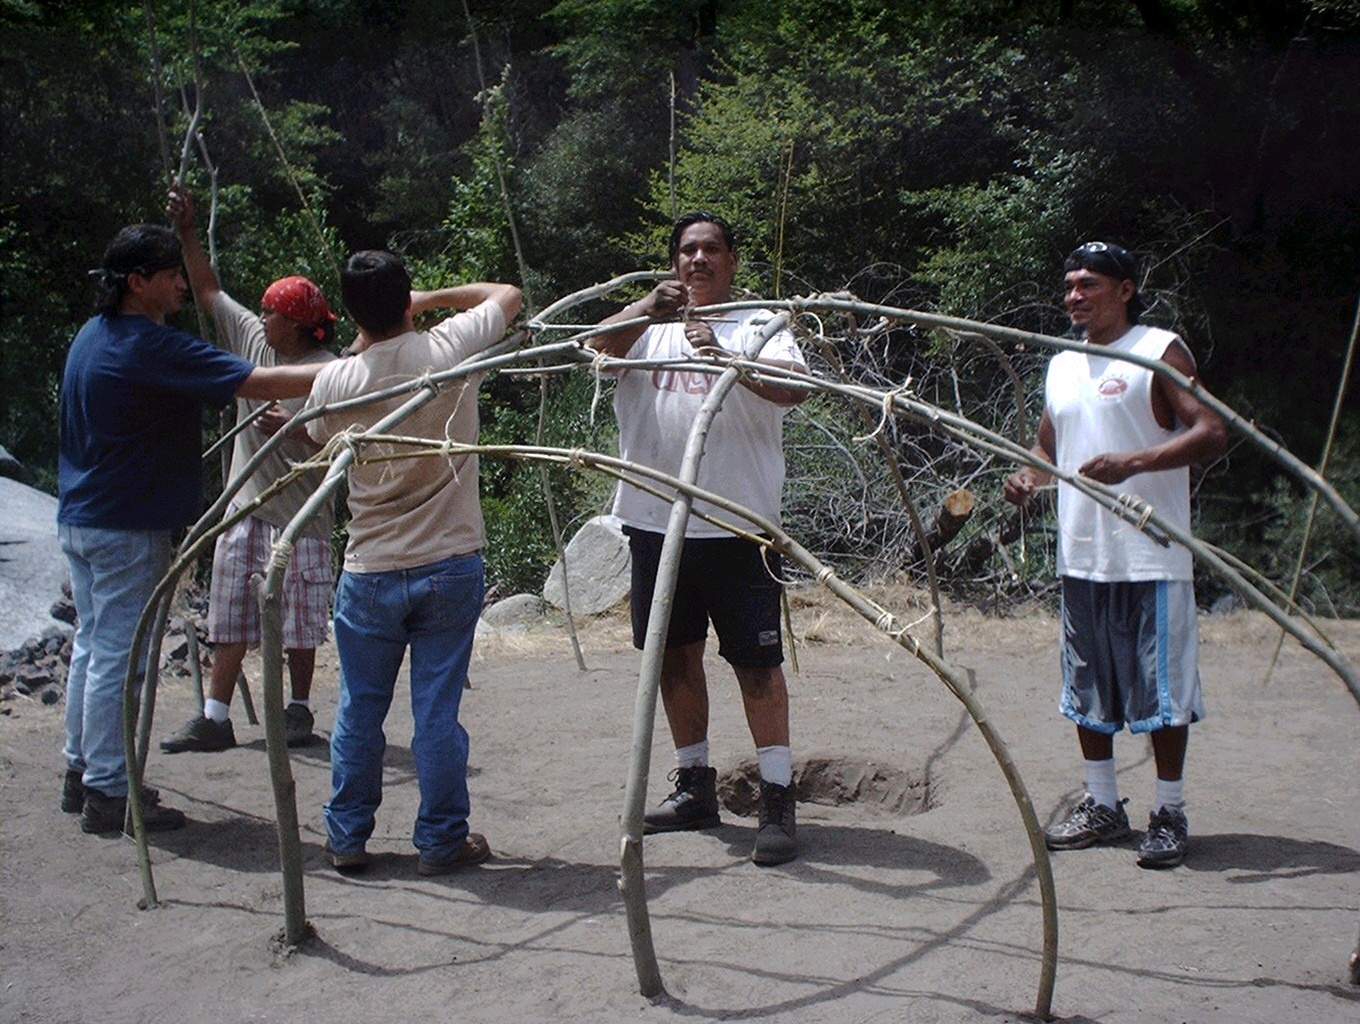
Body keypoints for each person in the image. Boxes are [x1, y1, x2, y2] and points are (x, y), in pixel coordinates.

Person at [59, 223, 325, 836]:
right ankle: (106, 788)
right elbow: (257, 382)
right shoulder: (147, 345)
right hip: (126, 523)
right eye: (169, 274)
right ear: (137, 283)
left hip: (83, 516)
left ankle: (81, 770)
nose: (180, 283)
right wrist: (360, 374)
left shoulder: (91, 336)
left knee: (92, 645)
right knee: (119, 660)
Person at [590, 212, 808, 866]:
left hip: (739, 525)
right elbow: (595, 352)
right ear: (674, 262)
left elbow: (795, 390)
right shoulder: (644, 328)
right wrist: (642, 308)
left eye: (712, 249)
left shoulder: (760, 326)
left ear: (733, 261)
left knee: (756, 662)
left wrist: (727, 360)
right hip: (658, 522)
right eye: (688, 251)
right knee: (675, 654)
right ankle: (694, 784)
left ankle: (776, 794)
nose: (699, 260)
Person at [1004, 241, 1228, 869]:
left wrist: (1134, 463)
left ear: (1125, 290)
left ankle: (1170, 810)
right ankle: (1103, 805)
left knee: (1162, 689)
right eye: (1070, 284)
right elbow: (1052, 449)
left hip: (1149, 553)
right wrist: (1029, 478)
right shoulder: (1063, 363)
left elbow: (1210, 429)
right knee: (1088, 684)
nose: (1075, 295)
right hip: (1082, 554)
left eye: (1090, 284)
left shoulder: (1157, 351)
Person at [302, 249, 522, 876]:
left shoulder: (336, 380)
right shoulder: (447, 347)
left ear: (347, 311)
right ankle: (441, 840)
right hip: (448, 562)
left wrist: (385, 321)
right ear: (406, 299)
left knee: (359, 709)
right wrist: (428, 302)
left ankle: (346, 838)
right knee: (435, 714)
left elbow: (318, 437)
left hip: (369, 568)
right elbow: (505, 293)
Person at [158, 188, 338, 755]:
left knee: (300, 621)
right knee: (230, 612)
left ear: (300, 325)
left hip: (303, 517)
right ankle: (216, 715)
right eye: (261, 310)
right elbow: (209, 292)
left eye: (273, 313)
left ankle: (299, 709)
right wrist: (187, 230)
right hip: (246, 508)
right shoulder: (257, 344)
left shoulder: (333, 373)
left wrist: (301, 430)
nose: (261, 319)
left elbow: (345, 447)